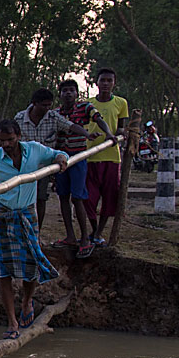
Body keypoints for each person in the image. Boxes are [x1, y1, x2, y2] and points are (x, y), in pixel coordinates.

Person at [0, 119, 68, 339]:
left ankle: (26, 302)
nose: (6, 144)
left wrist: (62, 157)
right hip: (3, 217)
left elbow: (57, 154)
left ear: (19, 136)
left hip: (26, 213)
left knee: (31, 264)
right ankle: (12, 322)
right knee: (4, 270)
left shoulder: (34, 150)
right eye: (2, 140)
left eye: (10, 140)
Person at [54, 79, 114, 258]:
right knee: (63, 197)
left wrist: (108, 133)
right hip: (60, 160)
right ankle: (70, 236)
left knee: (77, 198)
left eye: (72, 90)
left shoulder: (85, 108)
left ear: (76, 93)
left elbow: (99, 119)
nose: (68, 94)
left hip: (78, 158)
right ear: (61, 94)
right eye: (65, 91)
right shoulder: (55, 113)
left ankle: (85, 238)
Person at [13, 87, 90, 223]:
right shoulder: (19, 119)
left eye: (49, 105)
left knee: (41, 199)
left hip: (43, 168)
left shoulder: (53, 117)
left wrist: (87, 135)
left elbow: (70, 126)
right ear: (34, 103)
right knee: (22, 200)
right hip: (23, 167)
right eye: (44, 105)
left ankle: (37, 233)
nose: (47, 108)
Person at [83, 68, 128, 246]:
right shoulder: (88, 104)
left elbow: (121, 128)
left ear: (114, 83)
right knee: (87, 198)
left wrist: (119, 136)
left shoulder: (121, 103)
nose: (106, 84)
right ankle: (92, 230)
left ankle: (99, 233)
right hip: (90, 156)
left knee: (110, 197)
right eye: (103, 80)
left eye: (110, 80)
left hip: (111, 157)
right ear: (97, 82)